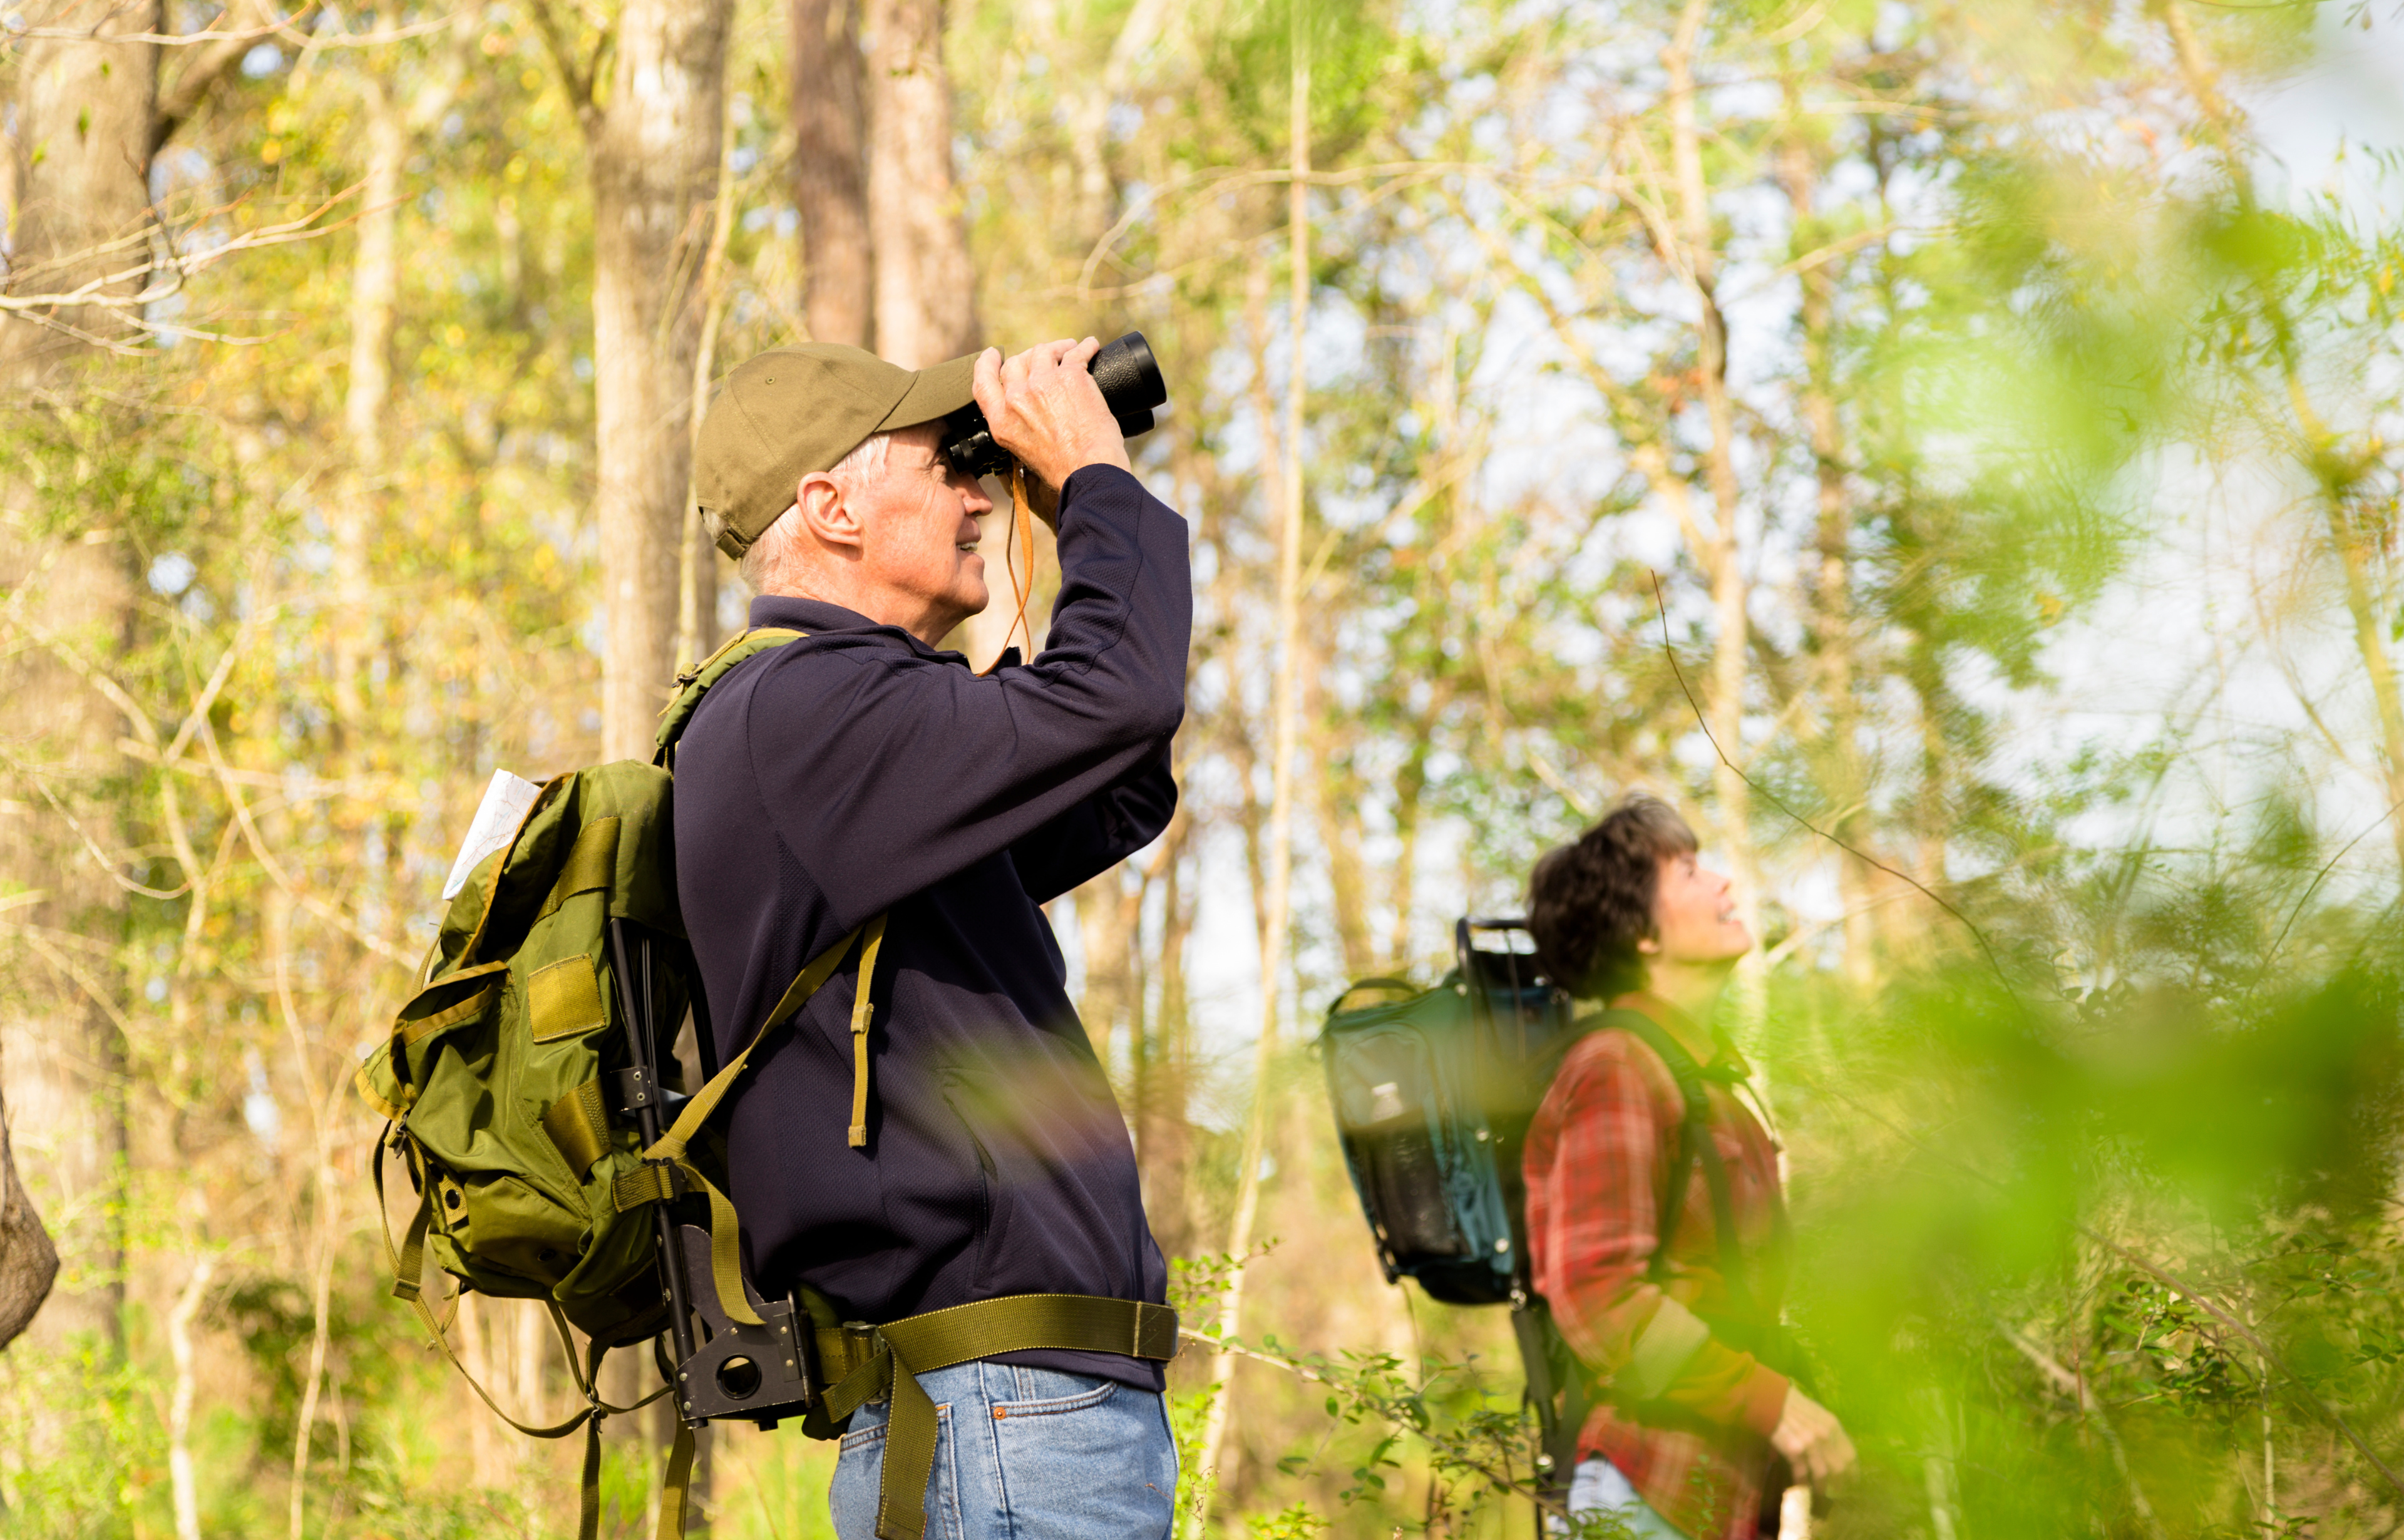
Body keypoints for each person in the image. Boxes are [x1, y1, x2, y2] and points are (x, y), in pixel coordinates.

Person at [675, 337, 1189, 1540]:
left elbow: (1110, 775)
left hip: (1006, 1419)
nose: (979, 489)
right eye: (949, 461)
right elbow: (1116, 699)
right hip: (1001, 1419)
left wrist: (1071, 507)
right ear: (830, 506)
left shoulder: (830, 721)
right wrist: (1101, 488)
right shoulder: (805, 707)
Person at [1523, 794, 1854, 1540]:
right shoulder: (1617, 1067)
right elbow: (1599, 1293)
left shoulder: (1702, 1079)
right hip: (1648, 1493)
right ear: (1640, 933)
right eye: (1690, 870)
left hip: (1712, 1498)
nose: (1725, 885)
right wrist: (1771, 1402)